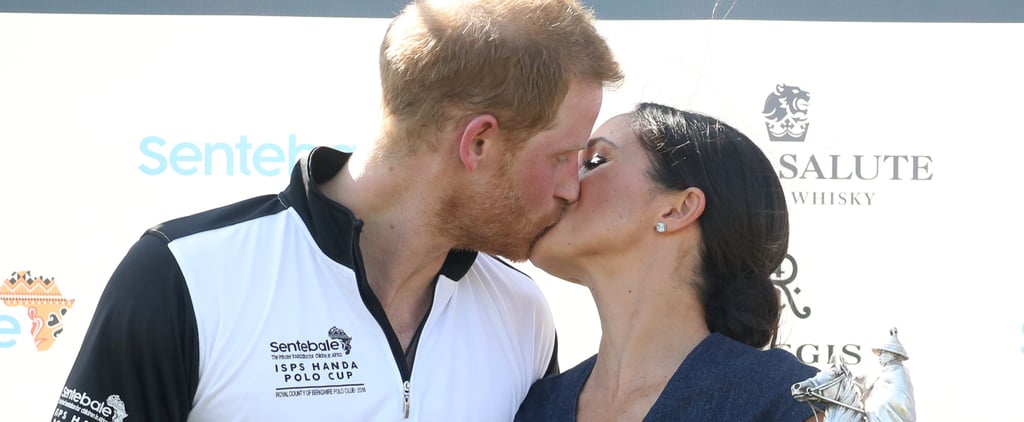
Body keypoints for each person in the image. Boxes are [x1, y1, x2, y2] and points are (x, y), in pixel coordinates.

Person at [53, 0, 622, 420]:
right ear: (478, 143)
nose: (573, 187)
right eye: (565, 156)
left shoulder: (522, 312)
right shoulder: (185, 276)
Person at [515, 102, 822, 421]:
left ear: (679, 209)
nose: (564, 183)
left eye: (594, 161)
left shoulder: (786, 400)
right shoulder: (536, 406)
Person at [863, 328, 916, 421]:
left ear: (892, 355)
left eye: (883, 353)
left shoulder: (899, 373)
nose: (880, 356)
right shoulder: (883, 373)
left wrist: (873, 406)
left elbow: (899, 399)